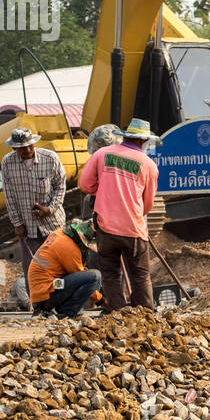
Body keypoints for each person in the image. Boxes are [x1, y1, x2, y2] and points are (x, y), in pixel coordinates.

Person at [77, 118, 159, 310]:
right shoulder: (148, 165)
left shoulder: (102, 154)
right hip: (134, 229)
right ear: (143, 140)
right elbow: (147, 204)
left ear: (126, 136)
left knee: (110, 274)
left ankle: (117, 312)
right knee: (140, 274)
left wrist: (105, 191)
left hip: (106, 228)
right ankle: (145, 313)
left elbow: (85, 185)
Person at [0, 127, 67, 278]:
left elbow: (61, 186)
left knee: (60, 266)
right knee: (34, 270)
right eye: (22, 148)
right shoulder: (7, 163)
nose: (28, 149)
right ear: (14, 148)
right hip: (28, 228)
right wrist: (17, 223)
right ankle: (38, 301)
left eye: (30, 145)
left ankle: (64, 299)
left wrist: (49, 209)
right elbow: (9, 196)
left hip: (54, 225)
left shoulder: (50, 158)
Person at [28, 219, 104, 318]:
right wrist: (102, 301)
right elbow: (86, 280)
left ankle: (59, 309)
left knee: (86, 276)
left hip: (44, 290)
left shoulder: (59, 234)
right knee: (94, 276)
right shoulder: (69, 248)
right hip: (48, 291)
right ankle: (67, 312)